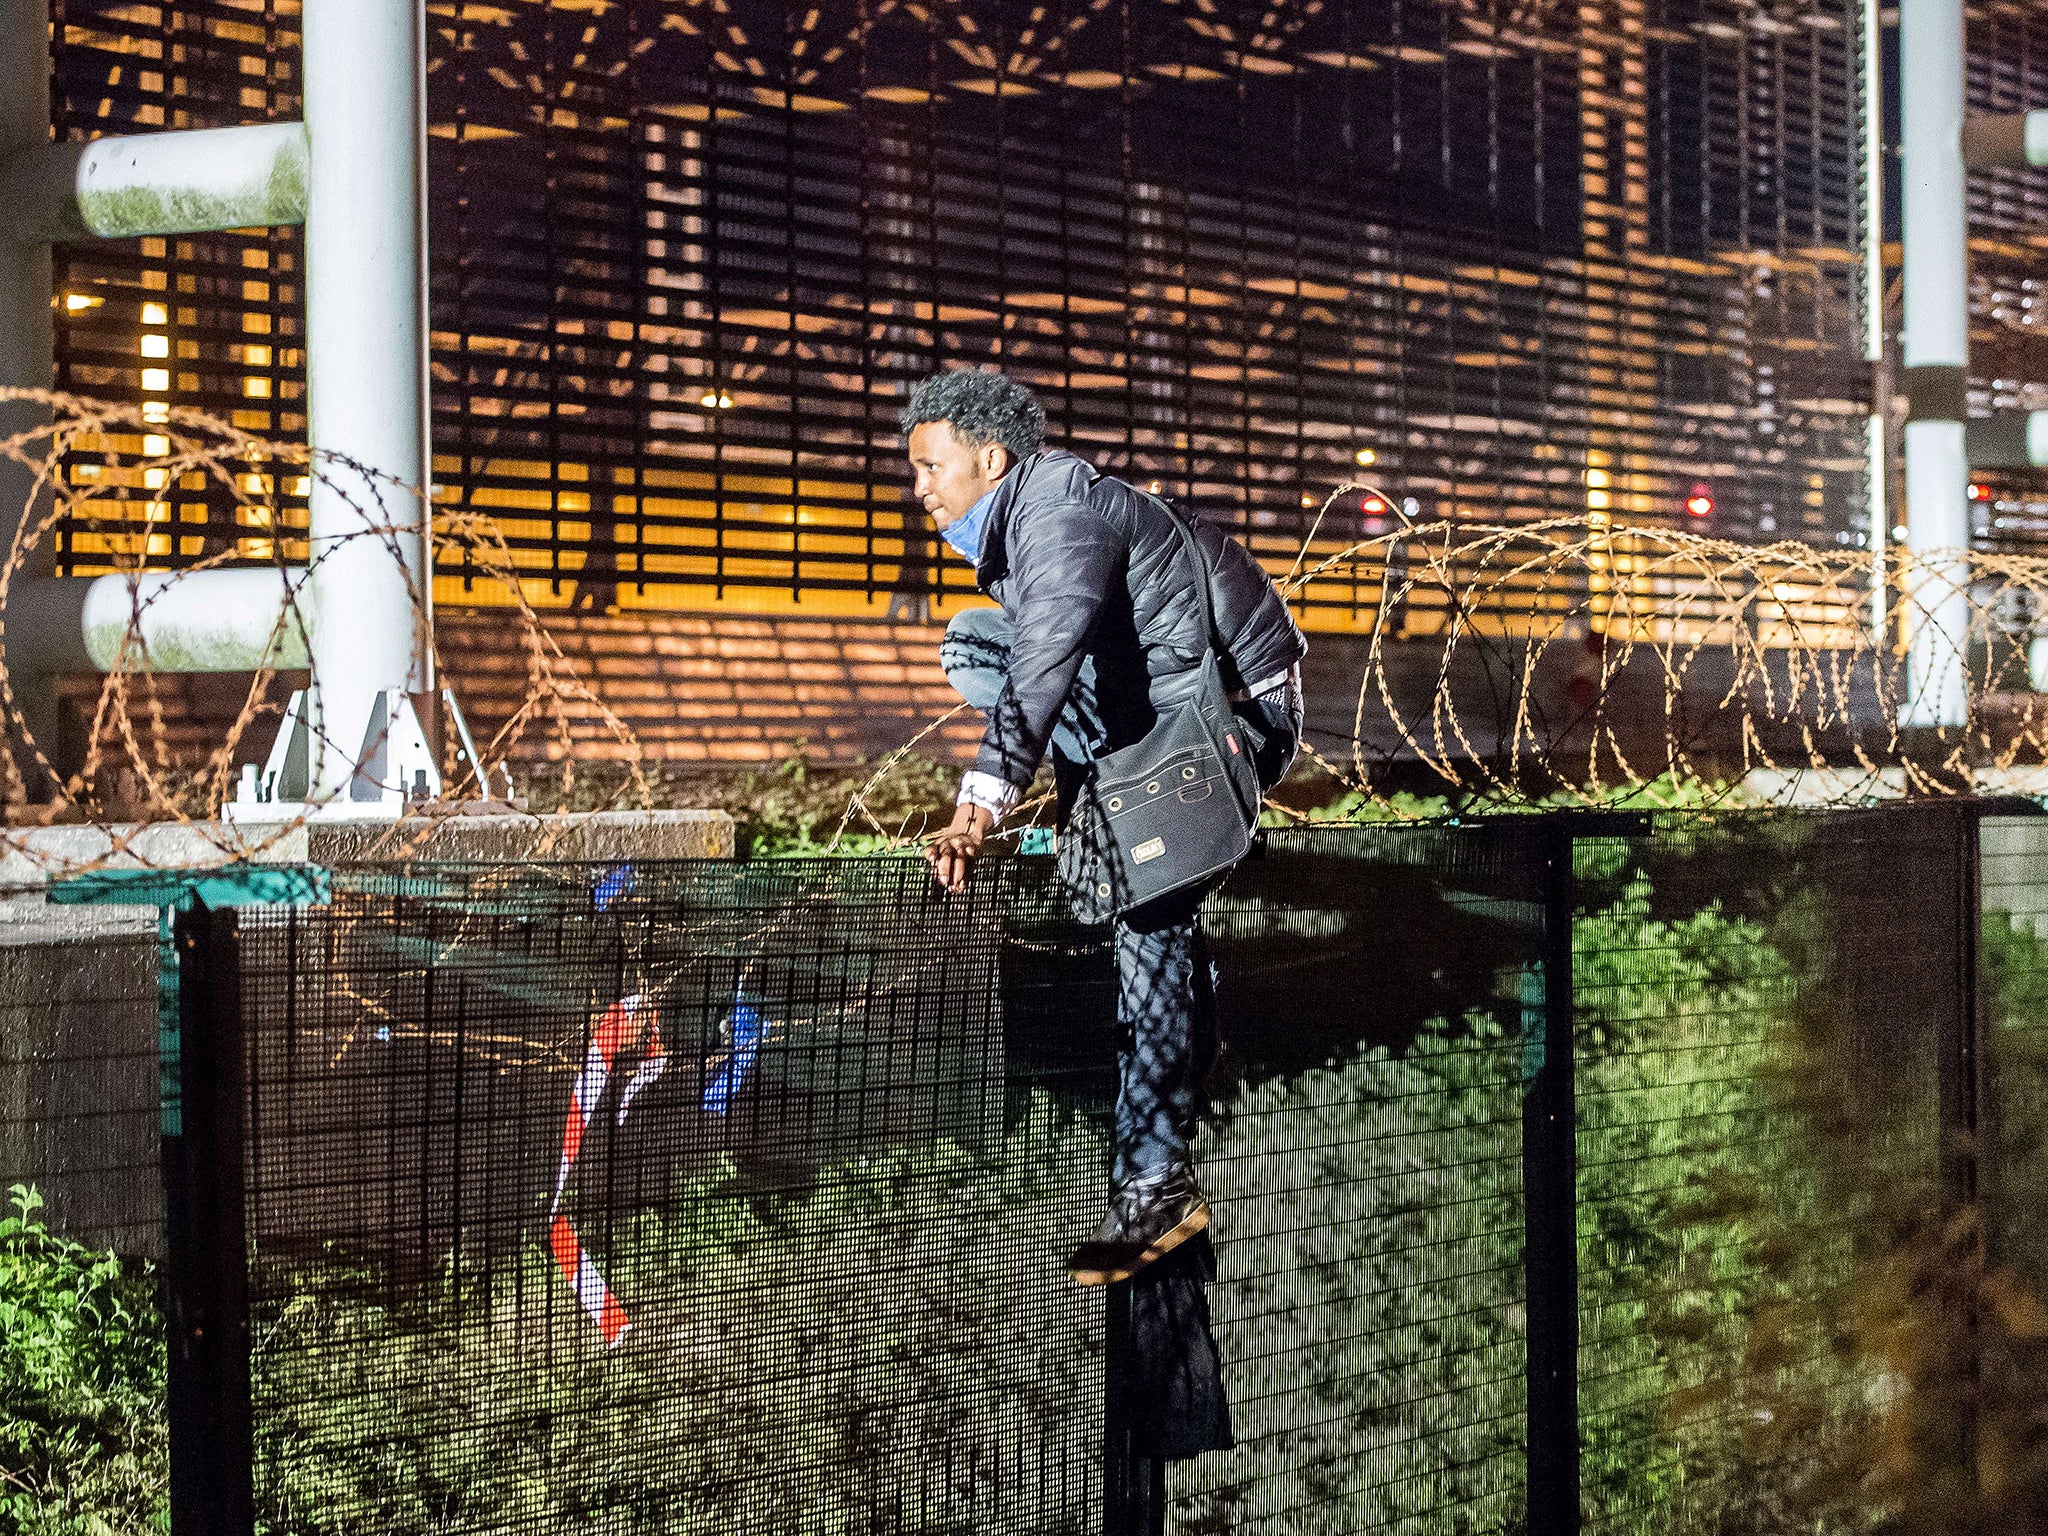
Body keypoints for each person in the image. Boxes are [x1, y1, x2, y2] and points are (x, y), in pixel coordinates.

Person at [904, 368, 1307, 1286]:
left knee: (1148, 927)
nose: (920, 487)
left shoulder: (1056, 516)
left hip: (1229, 714)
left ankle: (1158, 1189)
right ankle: (1166, 1131)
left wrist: (981, 802)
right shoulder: (1037, 517)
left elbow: (1046, 653)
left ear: (990, 458)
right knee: (974, 643)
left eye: (933, 466)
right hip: (1169, 708)